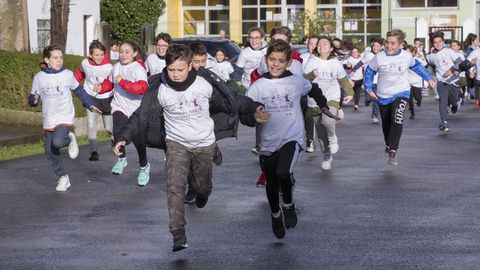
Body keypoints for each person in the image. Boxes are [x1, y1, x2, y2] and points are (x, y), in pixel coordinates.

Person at [113, 44, 268, 252]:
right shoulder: (160, 88)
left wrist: (253, 107)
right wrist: (123, 137)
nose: (175, 75)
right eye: (171, 69)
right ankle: (178, 233)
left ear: (189, 66)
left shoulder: (204, 83)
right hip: (176, 143)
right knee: (175, 187)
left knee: (202, 186)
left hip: (204, 143)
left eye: (180, 69)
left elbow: (234, 98)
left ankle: (203, 193)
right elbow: (140, 115)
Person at [246, 39, 331, 239]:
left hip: (292, 138)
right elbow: (246, 110)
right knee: (272, 183)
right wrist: (253, 116)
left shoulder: (296, 81)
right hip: (267, 143)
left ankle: (289, 205)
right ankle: (276, 215)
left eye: (281, 61)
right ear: (266, 60)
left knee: (284, 172)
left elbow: (314, 88)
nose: (276, 64)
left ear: (288, 63)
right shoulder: (258, 86)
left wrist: (324, 105)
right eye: (272, 60)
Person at [184, 41, 267, 204]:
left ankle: (201, 185)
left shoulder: (209, 77)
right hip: (186, 126)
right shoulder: (179, 77)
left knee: (201, 162)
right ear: (188, 61)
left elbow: (231, 95)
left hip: (207, 125)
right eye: (196, 62)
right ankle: (192, 188)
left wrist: (252, 106)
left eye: (203, 62)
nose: (200, 66)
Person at [28, 44, 101, 192]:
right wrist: (33, 100)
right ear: (47, 60)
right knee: (49, 151)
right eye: (55, 58)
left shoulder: (67, 75)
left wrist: (90, 104)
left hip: (64, 116)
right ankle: (63, 177)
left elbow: (79, 91)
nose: (59, 60)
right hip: (49, 118)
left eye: (61, 57)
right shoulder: (39, 77)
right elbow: (33, 99)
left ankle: (69, 137)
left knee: (58, 141)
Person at [364, 29, 434, 165]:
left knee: (397, 118)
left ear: (401, 44)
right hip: (383, 95)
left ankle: (393, 150)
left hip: (401, 92)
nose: (389, 46)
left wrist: (429, 78)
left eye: (393, 43)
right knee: (386, 125)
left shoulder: (406, 56)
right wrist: (368, 88)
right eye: (387, 43)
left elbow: (417, 67)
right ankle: (389, 145)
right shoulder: (379, 57)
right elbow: (369, 72)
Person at [303, 36, 354, 170]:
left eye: (325, 43)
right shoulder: (311, 61)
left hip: (331, 96)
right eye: (319, 44)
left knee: (328, 119)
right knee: (320, 133)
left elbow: (343, 79)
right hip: (314, 99)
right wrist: (312, 74)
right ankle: (327, 156)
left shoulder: (335, 62)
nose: (322, 45)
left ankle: (332, 137)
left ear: (331, 48)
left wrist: (350, 93)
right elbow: (303, 80)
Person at [109, 40, 150, 186]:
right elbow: (109, 83)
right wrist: (99, 87)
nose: (123, 55)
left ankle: (144, 167)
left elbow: (141, 88)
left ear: (134, 53)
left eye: (127, 52)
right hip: (119, 105)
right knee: (118, 132)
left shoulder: (137, 68)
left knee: (139, 140)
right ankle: (122, 159)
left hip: (136, 109)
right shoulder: (116, 67)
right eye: (121, 52)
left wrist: (123, 82)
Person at [74, 40, 114, 161]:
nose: (100, 57)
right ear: (90, 55)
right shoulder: (85, 63)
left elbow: (112, 83)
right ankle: (93, 152)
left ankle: (114, 139)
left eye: (102, 55)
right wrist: (72, 84)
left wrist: (102, 88)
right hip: (90, 96)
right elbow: (78, 75)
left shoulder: (109, 66)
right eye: (96, 55)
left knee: (108, 127)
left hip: (106, 98)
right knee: (91, 125)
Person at [426, 31, 463, 134]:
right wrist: (430, 78)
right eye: (435, 42)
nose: (438, 44)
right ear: (432, 43)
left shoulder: (449, 51)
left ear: (443, 41)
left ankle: (455, 104)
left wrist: (451, 70)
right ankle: (444, 123)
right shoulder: (430, 56)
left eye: (440, 42)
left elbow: (460, 62)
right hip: (442, 82)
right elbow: (430, 67)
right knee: (443, 101)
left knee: (454, 101)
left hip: (454, 80)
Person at [351, 37, 384, 123]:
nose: (375, 48)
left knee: (376, 99)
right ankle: (367, 99)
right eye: (374, 46)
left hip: (378, 81)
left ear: (381, 47)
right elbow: (361, 63)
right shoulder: (368, 55)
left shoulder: (383, 55)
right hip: (368, 80)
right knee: (369, 98)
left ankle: (374, 116)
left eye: (377, 46)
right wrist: (353, 70)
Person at [405, 45, 427, 120]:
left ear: (413, 53)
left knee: (417, 97)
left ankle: (419, 100)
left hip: (417, 82)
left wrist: (421, 58)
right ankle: (412, 113)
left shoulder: (417, 60)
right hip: (408, 82)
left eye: (408, 53)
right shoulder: (403, 60)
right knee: (410, 99)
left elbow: (425, 64)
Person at [346, 46, 364, 111]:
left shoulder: (362, 59)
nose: (354, 53)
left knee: (357, 91)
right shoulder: (349, 59)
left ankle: (356, 104)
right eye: (353, 52)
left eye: (356, 52)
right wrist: (348, 67)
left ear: (359, 52)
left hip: (360, 78)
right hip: (351, 79)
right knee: (351, 91)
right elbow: (347, 70)